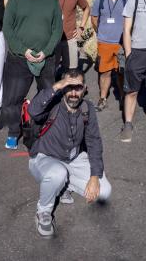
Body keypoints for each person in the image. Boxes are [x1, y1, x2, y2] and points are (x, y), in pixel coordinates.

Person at [28, 70, 112, 238]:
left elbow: (94, 142)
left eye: (78, 87)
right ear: (63, 88)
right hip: (45, 159)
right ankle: (43, 211)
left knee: (104, 191)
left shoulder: (87, 108)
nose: (73, 93)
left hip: (73, 159)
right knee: (57, 173)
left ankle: (65, 185)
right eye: (69, 87)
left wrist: (94, 177)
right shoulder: (53, 103)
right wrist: (57, 86)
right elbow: (33, 110)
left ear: (85, 88)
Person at [0, 0, 62, 150]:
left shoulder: (51, 1)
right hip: (19, 58)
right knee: (13, 97)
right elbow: (8, 28)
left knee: (47, 95)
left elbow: (57, 30)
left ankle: (41, 128)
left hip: (46, 58)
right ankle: (13, 132)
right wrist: (22, 49)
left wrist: (47, 50)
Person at [43, 0, 89, 72]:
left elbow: (86, 8)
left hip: (69, 39)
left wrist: (81, 27)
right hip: (49, 40)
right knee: (50, 71)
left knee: (71, 71)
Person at [90, 0, 126, 112]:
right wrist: (101, 32)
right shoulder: (99, 0)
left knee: (121, 72)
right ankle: (103, 98)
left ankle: (123, 98)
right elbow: (94, 19)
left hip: (121, 44)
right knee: (105, 73)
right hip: (104, 43)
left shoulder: (126, 0)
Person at [120, 0, 146, 142]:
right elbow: (126, 29)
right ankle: (128, 124)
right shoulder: (133, 2)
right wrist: (129, 54)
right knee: (132, 91)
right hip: (137, 52)